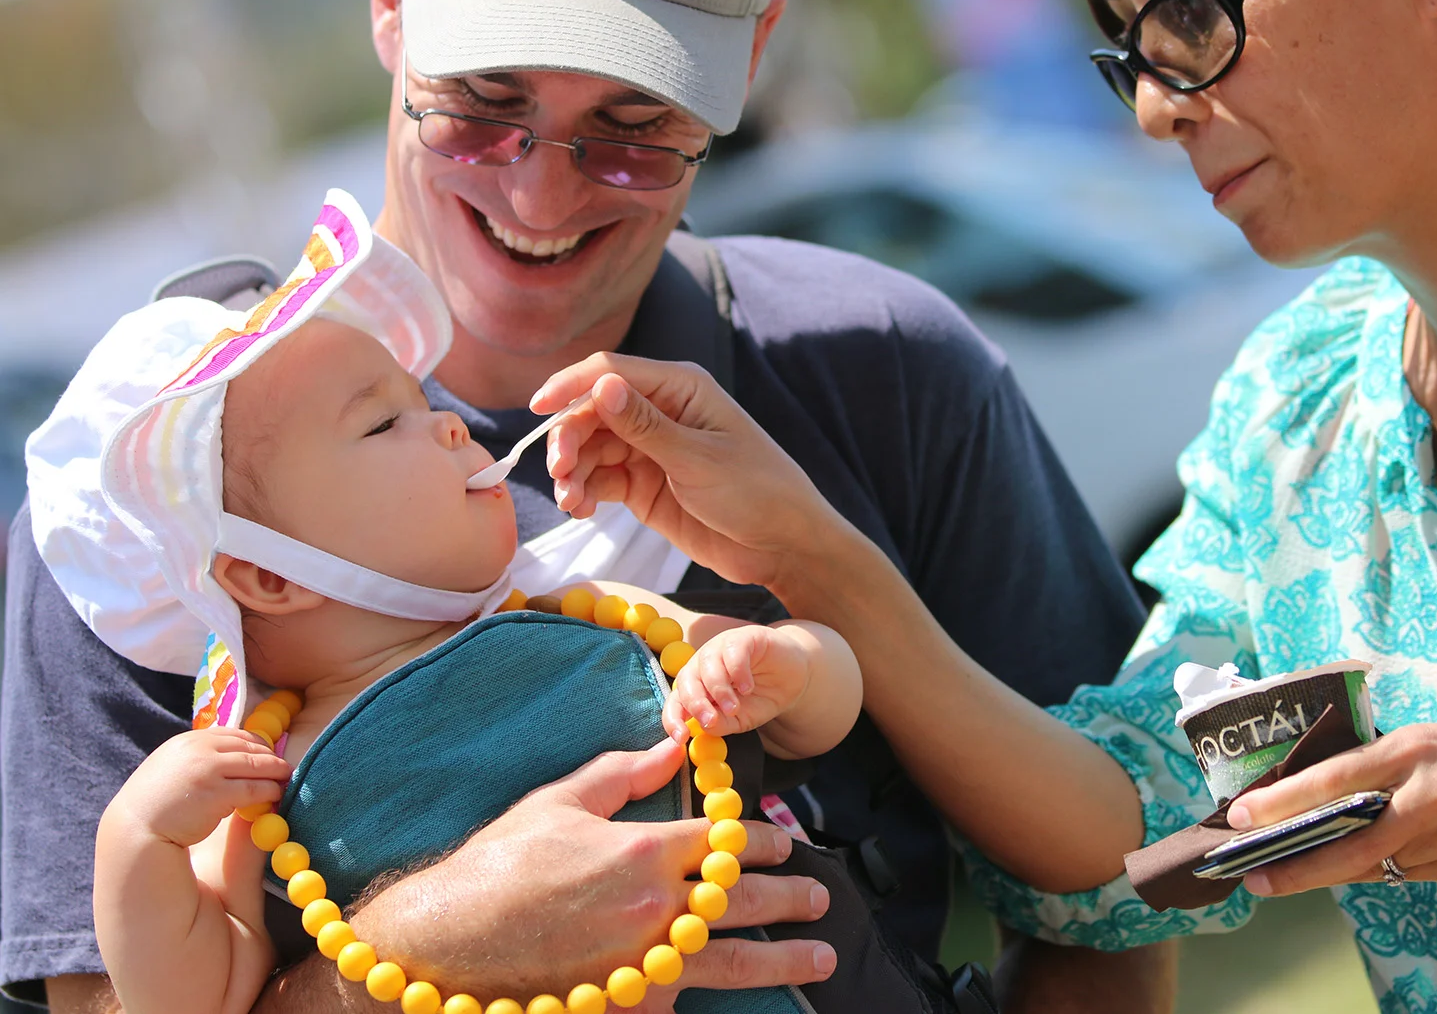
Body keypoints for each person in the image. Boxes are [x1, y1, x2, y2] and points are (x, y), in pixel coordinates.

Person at [1, 0, 1170, 1010]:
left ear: (748, 60)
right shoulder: (157, 495)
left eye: (633, 129)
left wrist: (809, 578)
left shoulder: (884, 364)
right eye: (481, 107)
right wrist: (441, 941)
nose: (539, 199)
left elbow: (1126, 884)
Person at [522, 0, 1437, 1001]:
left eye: (1190, 10)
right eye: (1132, 53)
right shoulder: (1295, 413)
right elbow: (1138, 818)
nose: (1156, 109)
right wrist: (813, 558)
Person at [33, 202, 858, 1014]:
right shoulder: (255, 772)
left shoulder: (593, 614)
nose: (452, 427)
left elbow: (817, 718)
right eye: (384, 421)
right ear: (267, 575)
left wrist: (784, 666)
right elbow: (197, 999)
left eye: (427, 403)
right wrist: (136, 841)